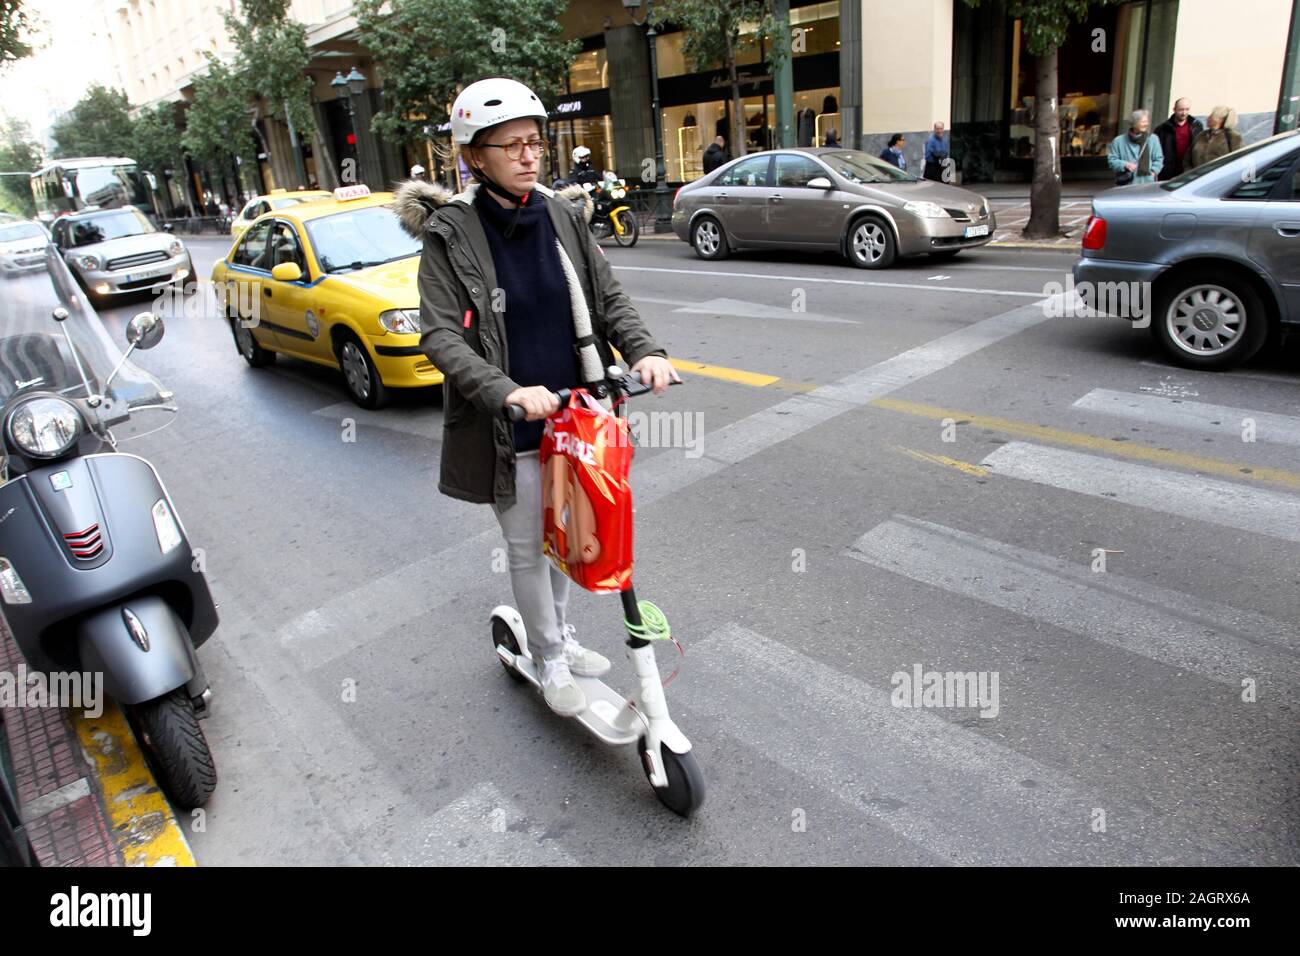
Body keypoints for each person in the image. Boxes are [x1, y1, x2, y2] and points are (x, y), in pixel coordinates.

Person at [394, 77, 679, 717]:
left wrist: (644, 351)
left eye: (534, 143)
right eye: (511, 146)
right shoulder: (452, 233)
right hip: (513, 419)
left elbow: (608, 300)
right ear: (474, 156)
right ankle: (548, 655)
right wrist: (508, 392)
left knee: (569, 537)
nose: (529, 156)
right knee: (528, 545)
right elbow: (440, 335)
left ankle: (561, 633)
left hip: (578, 410)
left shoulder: (561, 215)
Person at [1107, 109, 1164, 185]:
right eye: (1143, 122)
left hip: (1147, 183)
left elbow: (1159, 158)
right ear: (1134, 123)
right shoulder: (1118, 141)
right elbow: (1112, 161)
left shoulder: (1153, 139)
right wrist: (1125, 165)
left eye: (1147, 121)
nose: (1146, 124)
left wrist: (1153, 172)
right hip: (1126, 185)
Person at [1154, 98, 1203, 180]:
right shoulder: (1163, 129)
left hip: (1189, 171)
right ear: (1174, 109)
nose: (1184, 113)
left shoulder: (1196, 127)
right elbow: (1156, 153)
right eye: (1181, 110)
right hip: (1168, 173)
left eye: (1187, 109)